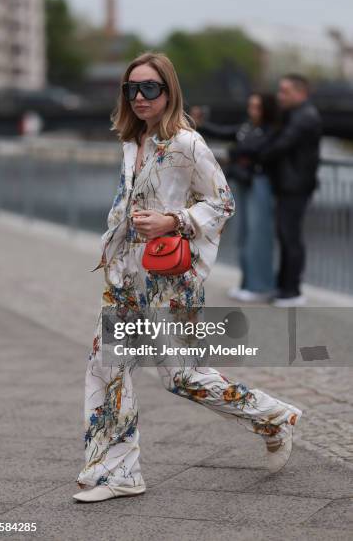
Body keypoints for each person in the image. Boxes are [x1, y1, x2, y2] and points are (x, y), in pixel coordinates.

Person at [73, 52, 303, 503]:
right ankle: (117, 473)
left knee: (182, 377)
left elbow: (223, 203)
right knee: (106, 367)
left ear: (169, 90)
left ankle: (272, 417)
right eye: (132, 89)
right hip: (125, 279)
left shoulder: (185, 142)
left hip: (169, 281)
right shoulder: (132, 139)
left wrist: (173, 221)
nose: (140, 97)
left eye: (150, 88)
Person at [195, 94, 279, 302]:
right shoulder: (247, 128)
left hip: (260, 182)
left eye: (257, 107)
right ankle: (248, 284)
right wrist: (201, 125)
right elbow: (227, 135)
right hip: (244, 182)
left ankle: (261, 286)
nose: (252, 111)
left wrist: (235, 153)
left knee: (258, 235)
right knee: (244, 234)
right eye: (250, 106)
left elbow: (255, 149)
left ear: (266, 110)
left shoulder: (272, 130)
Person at [257, 74, 322, 306]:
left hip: (296, 187)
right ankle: (284, 286)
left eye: (284, 91)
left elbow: (280, 145)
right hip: (290, 185)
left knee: (290, 237)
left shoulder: (305, 117)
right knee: (286, 236)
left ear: (300, 93)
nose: (279, 96)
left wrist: (257, 155)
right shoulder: (295, 115)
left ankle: (292, 290)